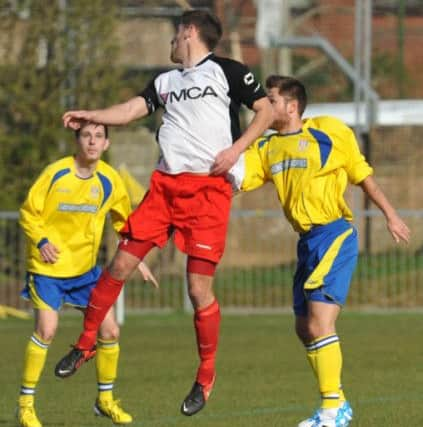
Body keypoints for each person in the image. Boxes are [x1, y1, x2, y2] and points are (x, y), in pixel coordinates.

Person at [54, 9, 273, 417]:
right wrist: (92, 116)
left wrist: (236, 149)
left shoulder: (228, 70)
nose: (171, 43)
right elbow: (132, 109)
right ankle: (85, 343)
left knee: (197, 291)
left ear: (188, 32)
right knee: (118, 264)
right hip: (164, 187)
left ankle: (206, 376)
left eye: (175, 35)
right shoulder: (165, 81)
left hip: (207, 190)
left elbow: (265, 111)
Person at [241, 75, 410, 427]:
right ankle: (340, 403)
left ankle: (332, 412)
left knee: (320, 322)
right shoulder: (266, 147)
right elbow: (236, 180)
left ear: (291, 106)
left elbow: (362, 175)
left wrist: (391, 215)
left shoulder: (328, 133)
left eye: (271, 100)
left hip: (333, 234)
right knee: (304, 327)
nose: (264, 106)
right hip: (306, 242)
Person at [17, 122, 158, 427]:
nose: (92, 142)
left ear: (106, 144)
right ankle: (26, 405)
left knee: (110, 332)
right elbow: (29, 212)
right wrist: (41, 241)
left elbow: (125, 223)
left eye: (98, 136)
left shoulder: (110, 180)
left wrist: (137, 258)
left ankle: (104, 401)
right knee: (47, 330)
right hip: (48, 270)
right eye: (86, 136)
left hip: (84, 273)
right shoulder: (56, 173)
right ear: (77, 141)